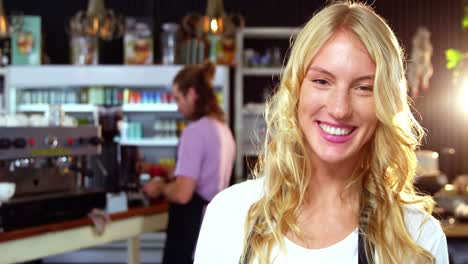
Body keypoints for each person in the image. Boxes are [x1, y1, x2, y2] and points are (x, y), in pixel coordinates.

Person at [194, 2, 448, 264]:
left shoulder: (418, 239)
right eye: (321, 81)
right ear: (296, 90)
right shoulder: (230, 214)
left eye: (363, 88)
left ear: (386, 102)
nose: (339, 109)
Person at [143, 61, 236, 264]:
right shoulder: (223, 130)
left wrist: (159, 188)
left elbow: (183, 194)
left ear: (192, 94)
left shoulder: (194, 133)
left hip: (190, 228)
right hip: (213, 229)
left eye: (178, 98)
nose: (177, 106)